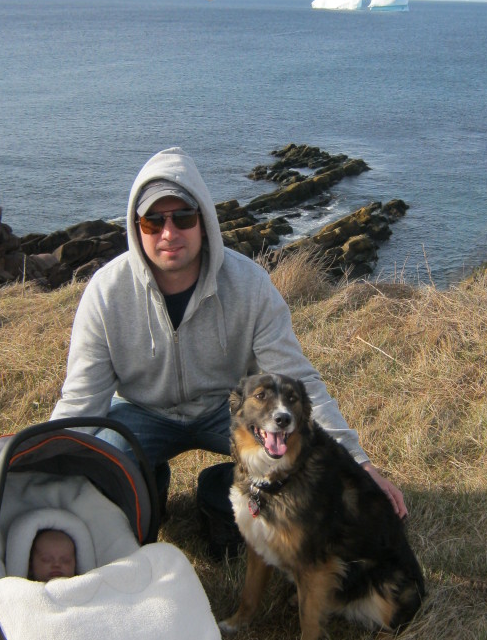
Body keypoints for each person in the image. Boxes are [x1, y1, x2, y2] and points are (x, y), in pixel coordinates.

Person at [50, 147, 407, 520]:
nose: (169, 233)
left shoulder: (249, 285)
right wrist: (40, 468)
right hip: (142, 413)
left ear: (204, 220)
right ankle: (144, 486)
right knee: (102, 468)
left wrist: (359, 464)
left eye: (183, 217)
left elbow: (297, 383)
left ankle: (221, 493)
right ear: (135, 228)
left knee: (302, 472)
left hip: (231, 410)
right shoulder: (106, 293)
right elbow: (80, 403)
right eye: (152, 222)